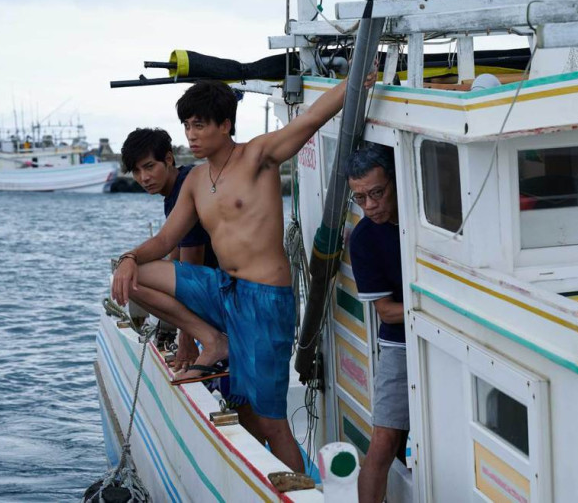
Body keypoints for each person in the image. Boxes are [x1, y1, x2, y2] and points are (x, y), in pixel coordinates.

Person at [111, 74, 375, 472]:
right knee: (137, 276)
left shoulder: (259, 156)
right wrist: (129, 257)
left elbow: (313, 118)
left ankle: (298, 491)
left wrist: (360, 76)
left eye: (199, 124)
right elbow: (165, 241)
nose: (191, 135)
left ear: (225, 126)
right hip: (223, 290)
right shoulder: (196, 180)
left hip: (266, 301)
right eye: (187, 126)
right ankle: (211, 339)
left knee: (268, 420)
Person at [120, 127, 217, 375]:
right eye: (137, 171)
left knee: (132, 276)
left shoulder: (185, 188)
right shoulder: (176, 188)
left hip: (220, 287)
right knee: (132, 269)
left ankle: (209, 338)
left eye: (150, 166)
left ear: (169, 159)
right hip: (214, 282)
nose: (144, 178)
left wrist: (186, 339)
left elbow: (192, 265)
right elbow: (175, 252)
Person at [345, 143, 409, 503]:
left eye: (376, 193)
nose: (369, 206)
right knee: (383, 440)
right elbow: (385, 311)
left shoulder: (428, 213)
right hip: (399, 343)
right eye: (360, 198)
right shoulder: (365, 238)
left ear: (396, 182)